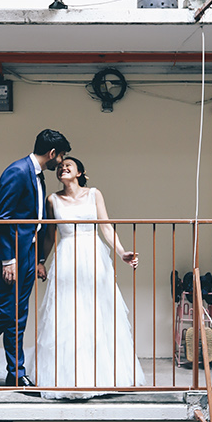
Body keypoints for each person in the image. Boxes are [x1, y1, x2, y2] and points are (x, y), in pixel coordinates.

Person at [0, 129, 71, 388]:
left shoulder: (37, 176)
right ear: (52, 153)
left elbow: (33, 222)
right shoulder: (17, 172)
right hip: (6, 254)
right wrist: (8, 260)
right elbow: (3, 219)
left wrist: (38, 258)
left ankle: (15, 373)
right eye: (60, 156)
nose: (61, 162)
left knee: (19, 315)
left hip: (27, 253)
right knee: (5, 314)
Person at [35, 156, 144, 399]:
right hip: (67, 256)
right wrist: (40, 261)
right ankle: (70, 377)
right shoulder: (52, 200)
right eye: (61, 167)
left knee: (98, 311)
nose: (63, 168)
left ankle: (103, 375)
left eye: (69, 166)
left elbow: (105, 226)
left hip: (94, 255)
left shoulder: (94, 194)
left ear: (80, 172)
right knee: (69, 314)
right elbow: (50, 236)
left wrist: (122, 252)